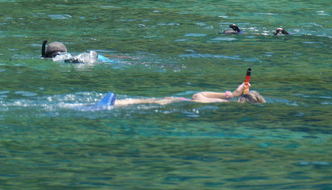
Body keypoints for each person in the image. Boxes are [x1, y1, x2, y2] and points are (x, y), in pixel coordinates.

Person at [107, 81, 264, 107]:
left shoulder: (224, 104)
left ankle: (117, 104)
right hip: (178, 101)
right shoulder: (226, 105)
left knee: (148, 102)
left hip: (176, 103)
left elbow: (198, 96)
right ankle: (118, 103)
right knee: (147, 101)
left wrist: (231, 94)